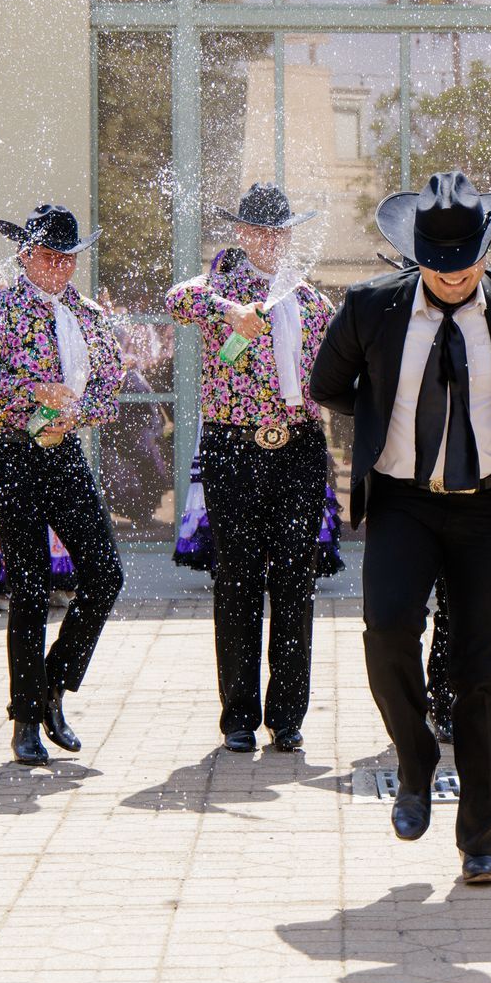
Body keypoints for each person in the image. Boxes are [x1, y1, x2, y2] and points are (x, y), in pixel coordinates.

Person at [310, 171, 491, 885]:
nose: (453, 277)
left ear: (483, 250)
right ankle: (414, 760)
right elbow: (325, 385)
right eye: (439, 267)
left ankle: (480, 839)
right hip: (405, 500)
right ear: (417, 256)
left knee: (482, 675)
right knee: (386, 631)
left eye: (465, 264)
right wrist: (380, 410)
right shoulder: (370, 306)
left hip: (488, 508)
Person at [166, 183, 336, 754]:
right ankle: (238, 714)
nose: (271, 240)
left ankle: (287, 716)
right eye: (260, 230)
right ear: (240, 234)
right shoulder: (218, 287)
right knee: (237, 579)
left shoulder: (309, 299)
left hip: (299, 449)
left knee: (294, 580)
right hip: (235, 450)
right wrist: (229, 310)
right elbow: (177, 299)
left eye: (280, 231)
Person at [0, 204, 126, 768]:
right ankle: (27, 718)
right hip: (8, 456)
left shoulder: (85, 313)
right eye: (50, 256)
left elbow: (109, 384)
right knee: (30, 585)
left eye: (69, 258)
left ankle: (53, 684)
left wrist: (73, 416)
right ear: (25, 255)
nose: (61, 267)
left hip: (62, 453)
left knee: (105, 573)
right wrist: (36, 394)